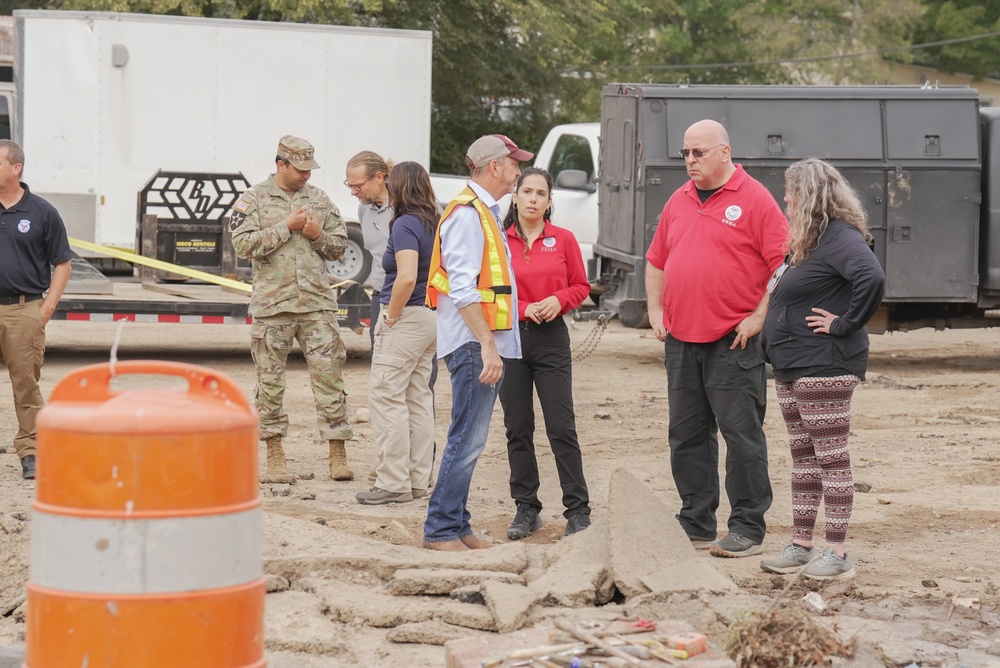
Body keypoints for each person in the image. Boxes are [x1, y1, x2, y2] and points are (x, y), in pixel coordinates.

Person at [645, 119, 787, 558]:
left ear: (724, 152)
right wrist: (654, 309)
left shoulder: (755, 200)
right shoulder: (679, 199)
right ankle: (695, 519)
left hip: (733, 341)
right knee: (686, 435)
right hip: (681, 340)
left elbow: (785, 266)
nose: (689, 161)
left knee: (741, 436)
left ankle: (747, 526)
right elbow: (657, 259)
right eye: (685, 153)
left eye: (698, 152)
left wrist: (759, 317)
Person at [758, 158, 885, 580]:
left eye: (791, 190)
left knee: (831, 459)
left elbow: (871, 276)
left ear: (810, 194)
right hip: (794, 366)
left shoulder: (839, 236)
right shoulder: (810, 242)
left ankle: (837, 552)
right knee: (804, 458)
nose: (786, 198)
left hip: (825, 364)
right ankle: (800, 545)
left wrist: (845, 323)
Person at [422, 134, 531, 551]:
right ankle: (441, 530)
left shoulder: (482, 212)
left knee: (468, 438)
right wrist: (488, 344)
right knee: (467, 439)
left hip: (476, 342)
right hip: (473, 344)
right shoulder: (469, 215)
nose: (518, 171)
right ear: (494, 167)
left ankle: (457, 524)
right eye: (514, 163)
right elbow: (464, 289)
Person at [230, 135, 354, 481]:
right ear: (281, 165)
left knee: (330, 379)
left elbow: (339, 247)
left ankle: (337, 454)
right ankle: (275, 455)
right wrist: (286, 227)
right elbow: (242, 245)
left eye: (310, 170)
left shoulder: (319, 199)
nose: (306, 176)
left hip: (317, 306)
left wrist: (317, 234)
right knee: (270, 385)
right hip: (273, 307)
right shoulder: (253, 199)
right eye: (300, 170)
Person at [498, 167, 592, 539]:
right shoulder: (500, 241)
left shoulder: (564, 239)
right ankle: (526, 508)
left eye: (541, 193)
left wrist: (558, 299)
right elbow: (491, 291)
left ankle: (578, 510)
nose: (534, 198)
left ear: (550, 201)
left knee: (561, 425)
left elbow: (581, 286)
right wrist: (523, 309)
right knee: (517, 427)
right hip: (511, 339)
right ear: (516, 196)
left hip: (551, 339)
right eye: (528, 192)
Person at [356, 162, 438, 505]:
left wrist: (390, 315)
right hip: (431, 316)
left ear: (400, 186)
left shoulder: (404, 224)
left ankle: (393, 481)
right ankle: (418, 479)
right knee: (418, 398)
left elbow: (405, 276)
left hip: (405, 315)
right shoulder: (434, 221)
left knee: (387, 398)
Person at [0, 139, 72, 480]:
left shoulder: (42, 212)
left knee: (25, 385)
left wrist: (46, 309)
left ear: (17, 169)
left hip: (23, 310)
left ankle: (31, 452)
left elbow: (62, 263)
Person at [345, 151, 392, 352]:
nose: (353, 192)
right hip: (381, 296)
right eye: (349, 185)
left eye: (358, 185)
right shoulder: (364, 209)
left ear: (379, 177)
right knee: (380, 361)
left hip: (413, 299)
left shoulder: (412, 205)